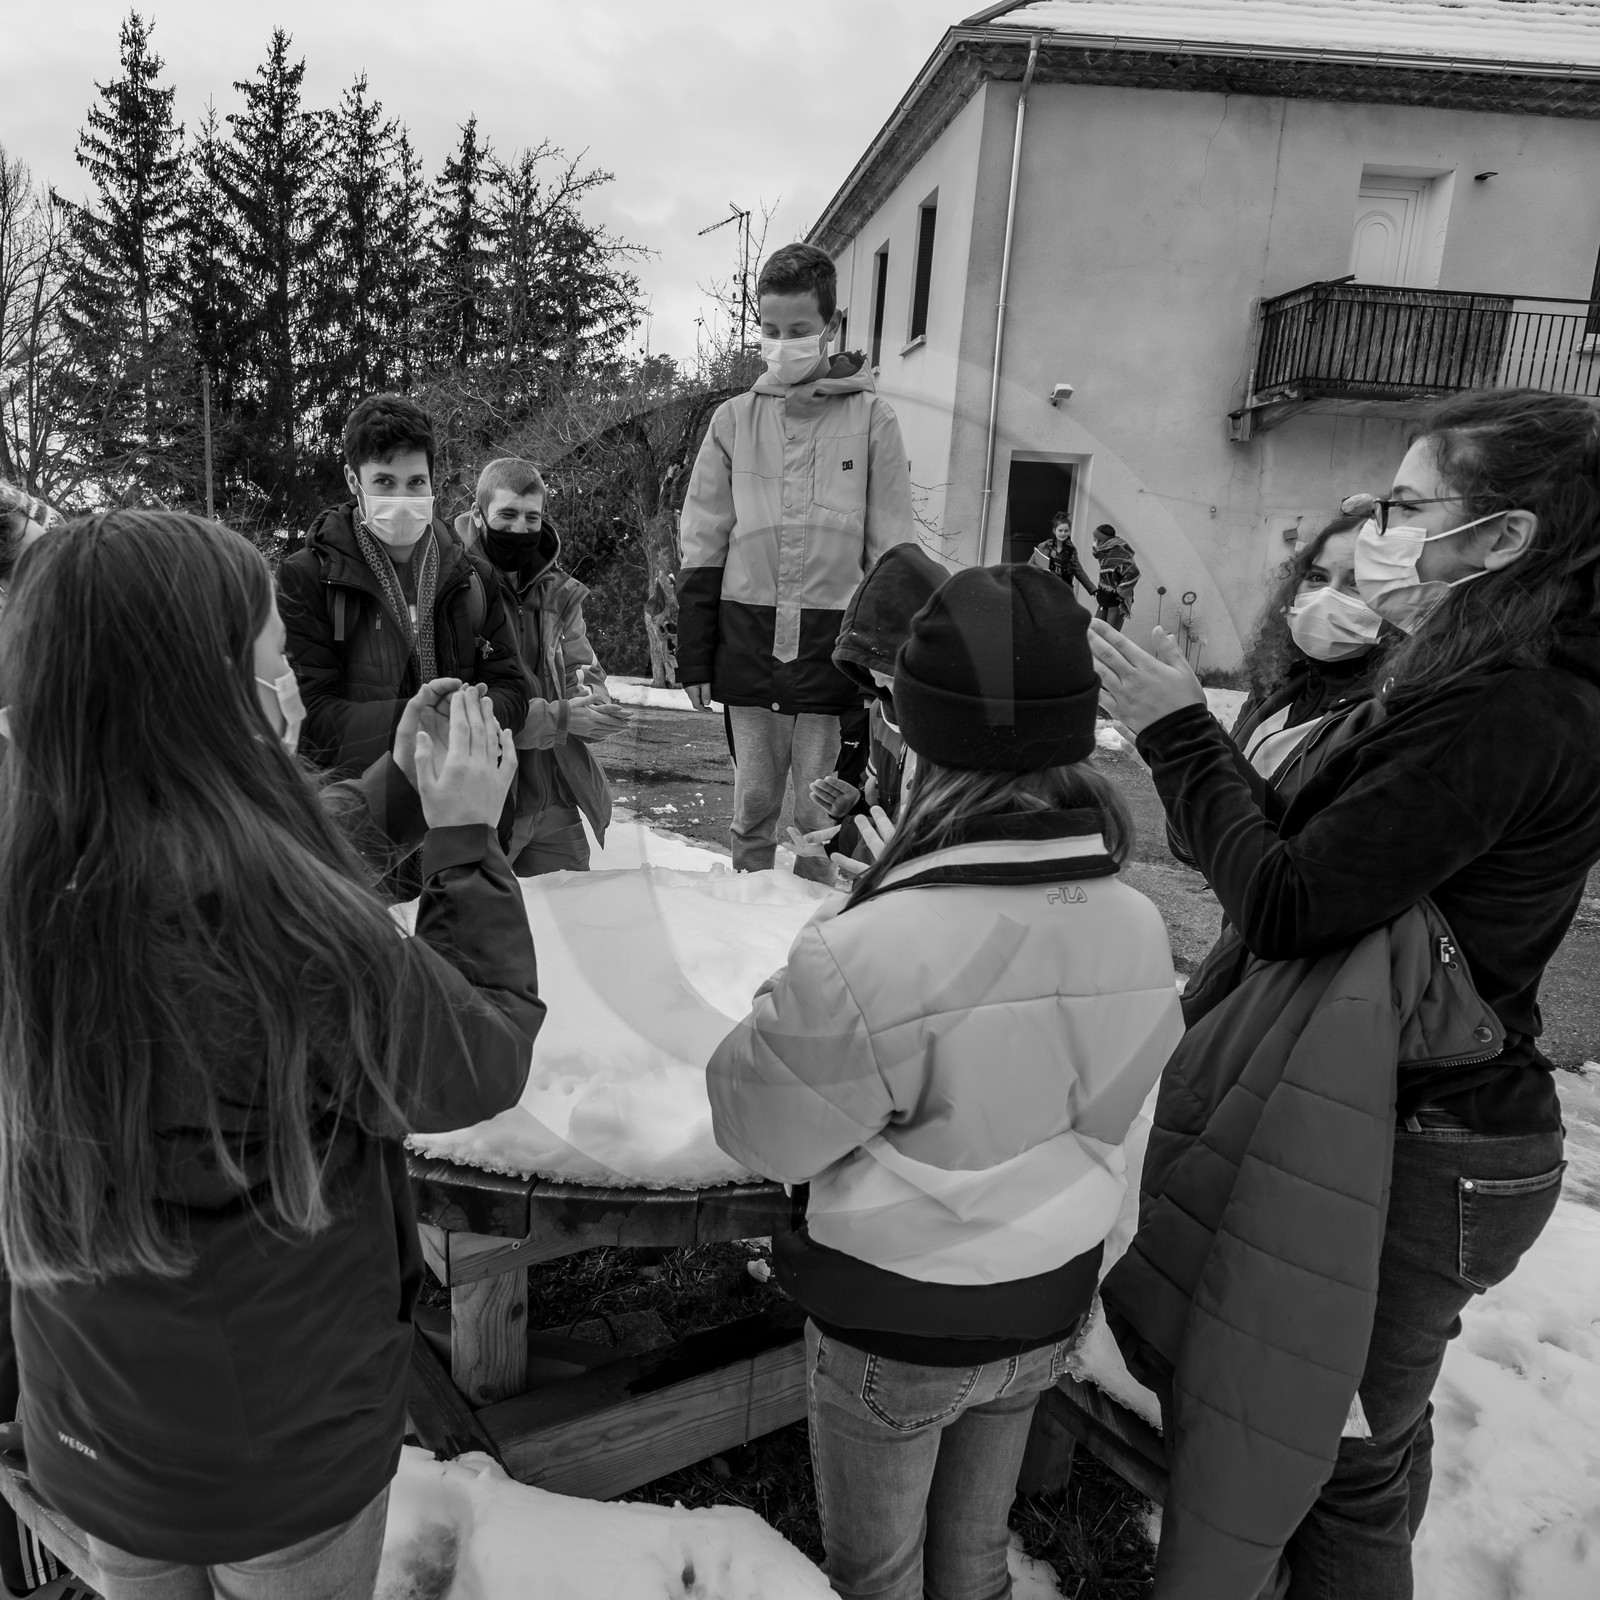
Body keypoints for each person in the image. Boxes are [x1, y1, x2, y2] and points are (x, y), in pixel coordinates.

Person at [1090, 388, 1600, 1597]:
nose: (1377, 524)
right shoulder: (1483, 670)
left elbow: (1285, 899)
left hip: (1423, 1139)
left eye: (1407, 504)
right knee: (1363, 1432)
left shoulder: (1510, 705)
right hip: (1409, 1120)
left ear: (1503, 538)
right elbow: (1312, 841)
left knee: (1338, 1452)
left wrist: (1174, 734)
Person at [0, 511, 543, 1600]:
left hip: (97, 1428)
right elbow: (474, 1056)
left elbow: (234, 832)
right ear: (210, 701)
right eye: (267, 655)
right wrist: (466, 843)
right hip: (285, 1457)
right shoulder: (290, 932)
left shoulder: (31, 874)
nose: (287, 677)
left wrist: (391, 787)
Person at [709, 566, 1185, 1600]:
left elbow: (758, 1129)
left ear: (916, 736)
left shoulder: (870, 945)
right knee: (971, 1558)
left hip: (898, 1317)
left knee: (876, 1573)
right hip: (1045, 1300)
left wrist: (782, 999)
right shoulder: (1135, 919)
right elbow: (1114, 1102)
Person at [677, 242, 915, 884]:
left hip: (834, 656)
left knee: (820, 816)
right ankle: (742, 916)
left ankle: (809, 939)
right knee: (752, 810)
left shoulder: (873, 421)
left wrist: (889, 664)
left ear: (830, 326)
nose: (782, 343)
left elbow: (894, 553)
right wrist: (695, 654)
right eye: (770, 330)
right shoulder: (732, 422)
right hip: (748, 645)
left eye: (799, 330)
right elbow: (703, 544)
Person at [277, 392, 528, 780]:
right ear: (352, 480)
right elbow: (310, 719)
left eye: (415, 482)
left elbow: (511, 687)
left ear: (432, 482)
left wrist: (478, 711)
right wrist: (421, 720)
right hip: (361, 819)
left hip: (468, 807)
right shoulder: (307, 579)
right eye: (383, 481)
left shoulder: (474, 577)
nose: (402, 498)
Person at [457, 457, 629, 875]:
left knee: (582, 924)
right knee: (487, 928)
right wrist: (564, 718)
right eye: (507, 515)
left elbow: (582, 667)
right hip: (489, 798)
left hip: (554, 794)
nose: (520, 529)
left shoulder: (560, 592)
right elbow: (467, 702)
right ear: (479, 516)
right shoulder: (455, 585)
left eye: (531, 518)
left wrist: (594, 703)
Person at [806, 541, 947, 868]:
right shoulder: (881, 715)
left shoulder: (961, 737)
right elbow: (888, 810)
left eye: (887, 672)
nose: (878, 684)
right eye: (869, 673)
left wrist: (896, 865)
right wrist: (855, 808)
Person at [1029, 508, 1098, 603]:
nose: (1063, 534)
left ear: (1069, 531)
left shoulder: (1071, 549)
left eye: (1066, 531)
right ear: (1054, 530)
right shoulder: (1044, 546)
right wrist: (1042, 570)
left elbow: (1078, 571)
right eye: (1060, 530)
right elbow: (1030, 565)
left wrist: (1093, 590)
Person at [1091, 523, 1140, 629]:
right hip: (1104, 596)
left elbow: (1133, 573)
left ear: (1102, 540)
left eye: (1096, 540)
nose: (1094, 543)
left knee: (1110, 634)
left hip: (1116, 599)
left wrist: (1120, 592)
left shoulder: (1118, 552)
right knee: (1096, 630)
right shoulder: (1104, 551)